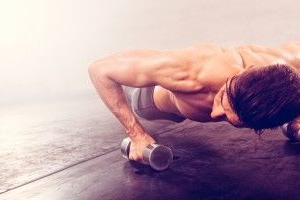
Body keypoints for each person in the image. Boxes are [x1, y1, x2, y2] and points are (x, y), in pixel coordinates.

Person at [88, 42, 300, 161]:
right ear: (245, 72)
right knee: (131, 90)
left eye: (232, 119)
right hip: (152, 101)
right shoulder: (190, 71)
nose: (215, 114)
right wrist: (137, 135)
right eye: (222, 98)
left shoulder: (291, 63)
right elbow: (100, 70)